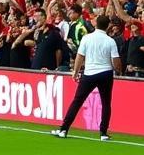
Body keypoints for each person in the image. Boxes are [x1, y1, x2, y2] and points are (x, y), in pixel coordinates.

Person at [52, 14, 122, 142]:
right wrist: (118, 70)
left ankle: (64, 129)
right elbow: (116, 61)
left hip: (89, 73)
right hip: (105, 73)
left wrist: (75, 71)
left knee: (77, 101)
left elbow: (80, 56)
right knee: (106, 103)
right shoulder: (110, 41)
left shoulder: (87, 38)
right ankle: (103, 133)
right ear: (107, 26)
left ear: (96, 24)